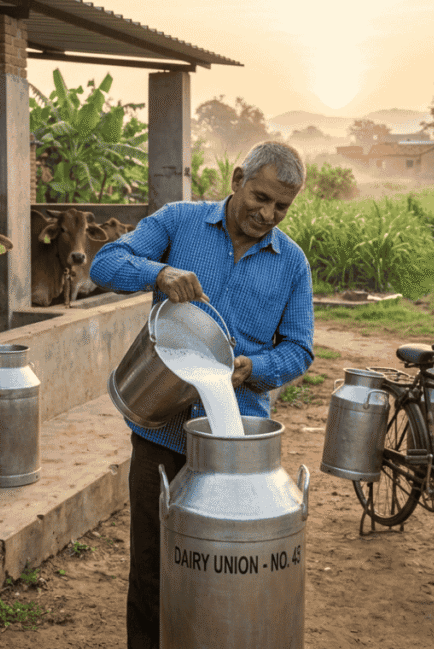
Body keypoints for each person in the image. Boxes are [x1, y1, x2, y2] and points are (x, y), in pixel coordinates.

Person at [89, 141, 315, 649]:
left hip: (235, 447)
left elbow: (300, 350)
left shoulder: (291, 263)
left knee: (228, 575)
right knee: (152, 568)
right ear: (237, 179)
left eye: (282, 207)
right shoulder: (179, 223)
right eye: (259, 197)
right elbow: (105, 262)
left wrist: (254, 367)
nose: (267, 214)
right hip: (162, 435)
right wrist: (158, 273)